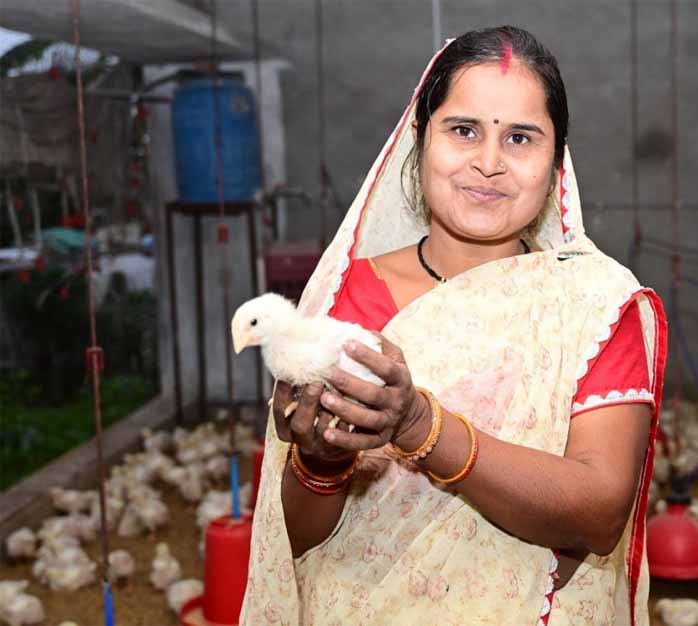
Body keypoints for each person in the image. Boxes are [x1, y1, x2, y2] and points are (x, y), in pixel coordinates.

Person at [241, 26, 668, 626]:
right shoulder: (343, 300)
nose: (488, 164)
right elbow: (298, 544)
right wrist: (321, 463)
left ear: (555, 163)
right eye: (463, 130)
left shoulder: (594, 306)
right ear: (420, 142)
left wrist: (421, 425)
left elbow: (598, 516)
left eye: (520, 138)